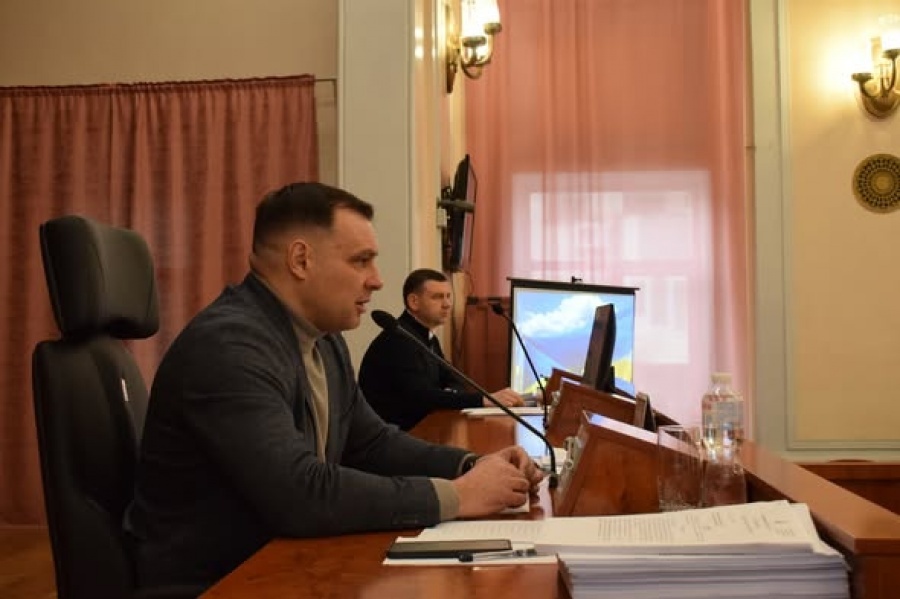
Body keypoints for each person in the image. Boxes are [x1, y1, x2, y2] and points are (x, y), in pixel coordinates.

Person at [125, 182, 543, 592]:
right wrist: (457, 496)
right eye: (361, 261)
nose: (377, 280)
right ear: (301, 260)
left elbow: (372, 443)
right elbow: (299, 494)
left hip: (283, 561)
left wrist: (472, 465)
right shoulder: (229, 346)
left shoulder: (325, 341)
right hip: (220, 581)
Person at [359, 268, 525, 431]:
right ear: (414, 302)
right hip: (392, 436)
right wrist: (483, 400)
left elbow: (454, 380)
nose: (447, 304)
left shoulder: (426, 336)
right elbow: (422, 397)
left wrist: (447, 394)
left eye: (448, 296)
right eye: (437, 297)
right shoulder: (399, 340)